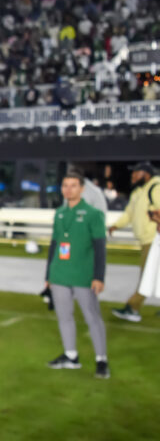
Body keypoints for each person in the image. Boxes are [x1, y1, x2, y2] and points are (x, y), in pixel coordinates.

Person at [45, 171, 109, 379]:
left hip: (83, 274)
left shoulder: (93, 214)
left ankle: (101, 360)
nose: (68, 189)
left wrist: (99, 276)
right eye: (65, 185)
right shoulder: (59, 214)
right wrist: (48, 274)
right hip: (60, 273)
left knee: (92, 318)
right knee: (64, 316)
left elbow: (100, 247)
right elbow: (54, 244)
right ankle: (71, 356)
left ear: (81, 189)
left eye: (73, 185)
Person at [109, 162, 160, 322]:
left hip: (154, 239)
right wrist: (116, 225)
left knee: (147, 276)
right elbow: (129, 214)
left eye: (136, 173)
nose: (133, 176)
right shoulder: (138, 192)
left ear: (146, 174)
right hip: (146, 240)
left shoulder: (156, 187)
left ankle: (132, 308)